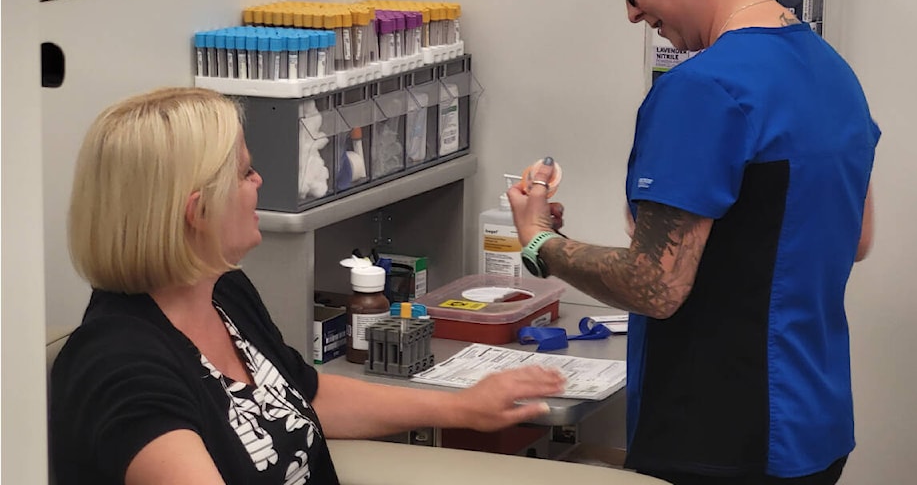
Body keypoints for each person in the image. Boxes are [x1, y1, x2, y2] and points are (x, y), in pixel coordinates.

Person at [508, 0, 879, 484]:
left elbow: (656, 285)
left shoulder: (703, 89)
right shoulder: (831, 70)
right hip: (815, 429)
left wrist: (541, 242)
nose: (631, 11)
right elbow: (859, 239)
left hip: (719, 439)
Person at [49, 87, 566, 485]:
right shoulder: (119, 369)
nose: (259, 183)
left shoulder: (222, 293)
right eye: (246, 172)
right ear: (197, 212)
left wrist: (460, 407)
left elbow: (307, 392)